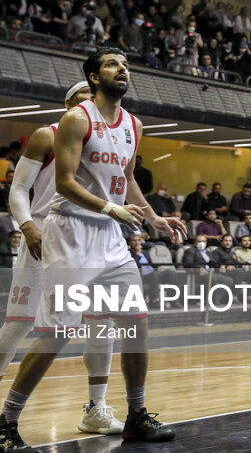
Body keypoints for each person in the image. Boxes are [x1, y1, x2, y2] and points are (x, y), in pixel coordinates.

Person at [0, 49, 185, 449]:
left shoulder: (134, 125)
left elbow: (128, 179)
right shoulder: (74, 120)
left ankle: (135, 414)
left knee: (135, 324)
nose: (123, 69)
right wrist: (109, 208)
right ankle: (7, 421)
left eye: (126, 65)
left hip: (111, 236)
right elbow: (63, 184)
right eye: (112, 64)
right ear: (93, 77)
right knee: (57, 331)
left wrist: (154, 218)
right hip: (70, 232)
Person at [1, 81, 128, 435]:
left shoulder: (108, 141)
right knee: (22, 323)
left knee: (102, 323)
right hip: (44, 234)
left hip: (90, 239)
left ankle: (96, 409)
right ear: (70, 102)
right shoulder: (48, 134)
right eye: (89, 97)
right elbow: (18, 189)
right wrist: (26, 226)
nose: (96, 104)